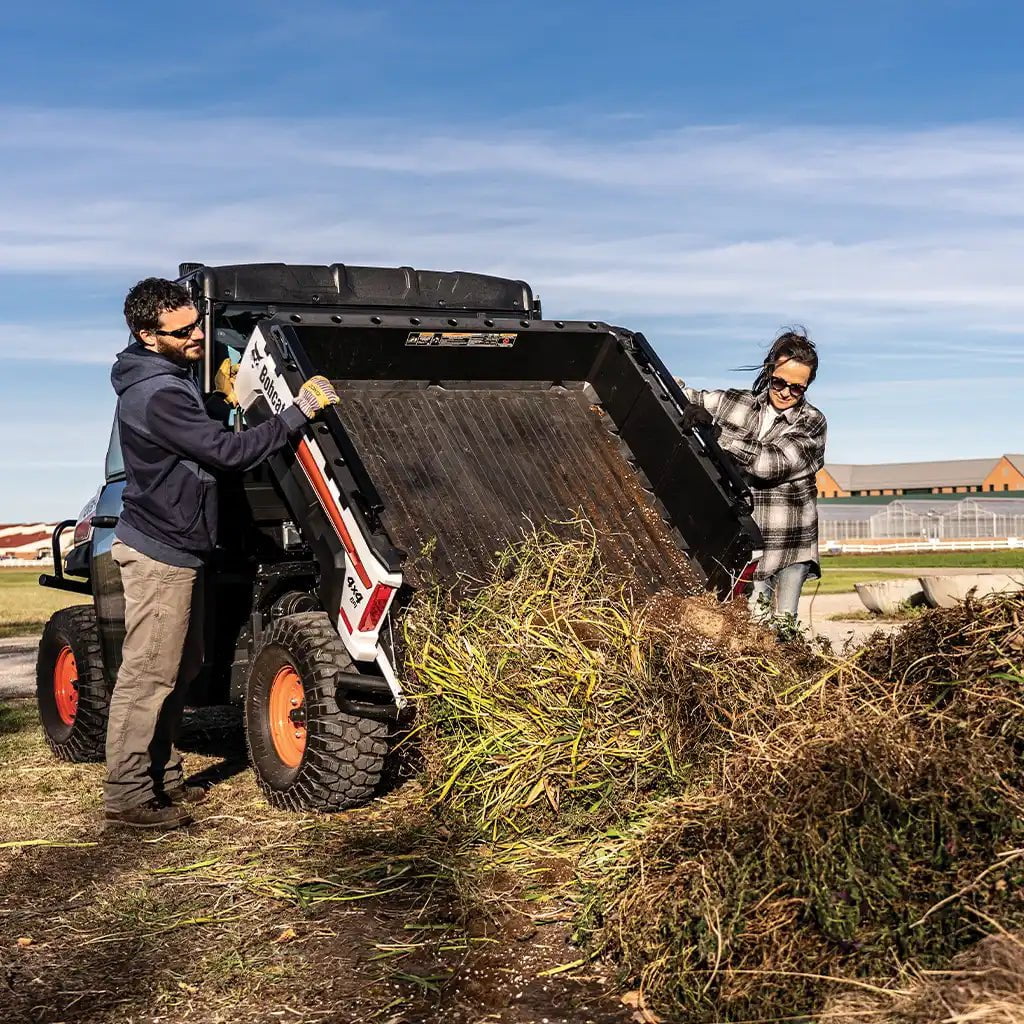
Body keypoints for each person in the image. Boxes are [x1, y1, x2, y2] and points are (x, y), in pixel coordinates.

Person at [105, 277, 340, 830]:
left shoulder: (169, 378)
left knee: (179, 668)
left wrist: (216, 400)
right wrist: (297, 412)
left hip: (182, 548)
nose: (196, 336)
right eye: (182, 331)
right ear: (147, 335)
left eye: (197, 324)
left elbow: (189, 440)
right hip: (161, 553)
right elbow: (227, 453)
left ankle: (162, 776)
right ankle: (127, 797)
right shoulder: (157, 392)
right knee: (149, 675)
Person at [678, 329, 826, 633]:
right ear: (769, 372)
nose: (785, 392)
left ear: (807, 386)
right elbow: (676, 392)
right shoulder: (735, 402)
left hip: (789, 544)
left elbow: (772, 463)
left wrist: (717, 436)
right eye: (779, 382)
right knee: (753, 625)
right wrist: (689, 405)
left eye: (796, 388)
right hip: (748, 541)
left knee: (782, 626)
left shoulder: (812, 423)